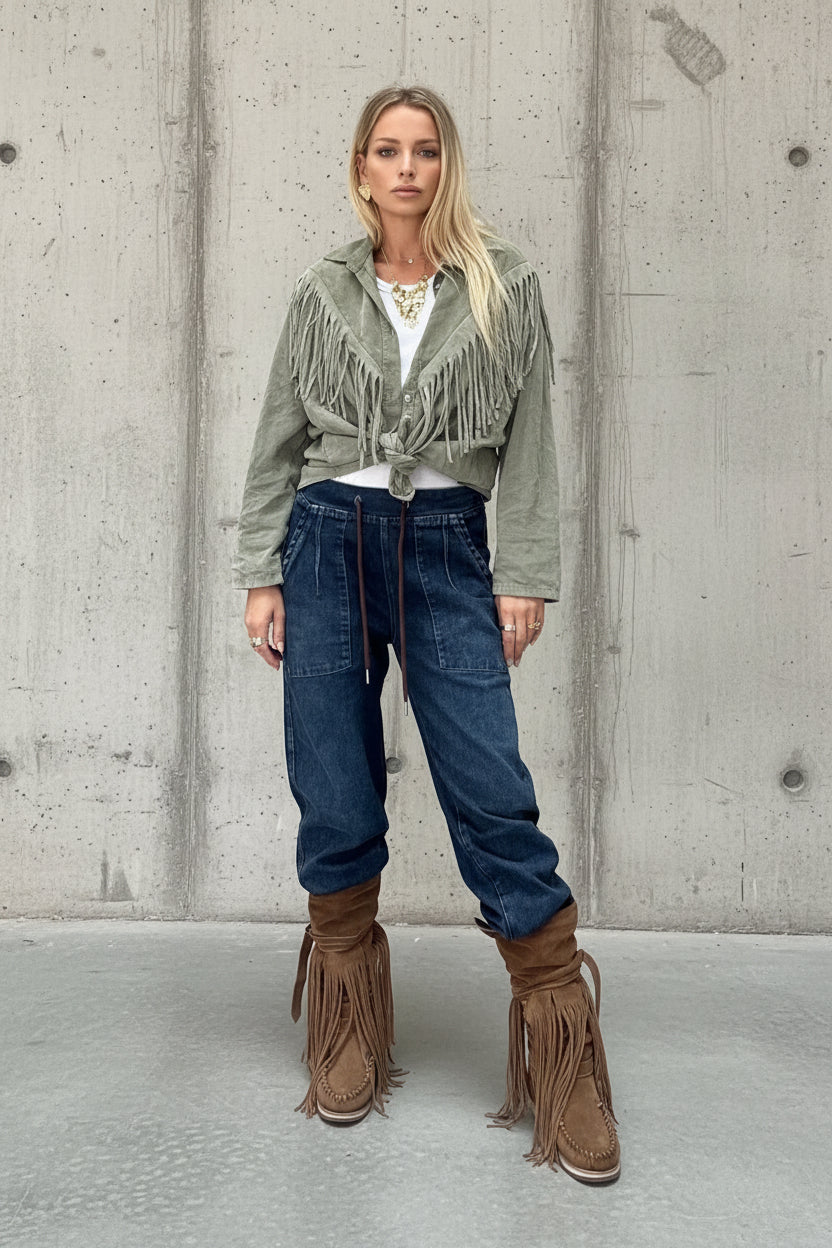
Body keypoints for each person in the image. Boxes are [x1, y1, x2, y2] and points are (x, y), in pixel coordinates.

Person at [232, 84, 620, 1184]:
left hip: (448, 547)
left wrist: (525, 575)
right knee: (333, 782)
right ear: (361, 168)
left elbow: (532, 439)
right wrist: (260, 571)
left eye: (426, 150)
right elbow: (278, 437)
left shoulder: (505, 284)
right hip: (324, 541)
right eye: (388, 150)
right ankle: (348, 1022)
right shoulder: (322, 289)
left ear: (448, 166)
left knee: (490, 790)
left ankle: (564, 1056)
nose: (407, 168)